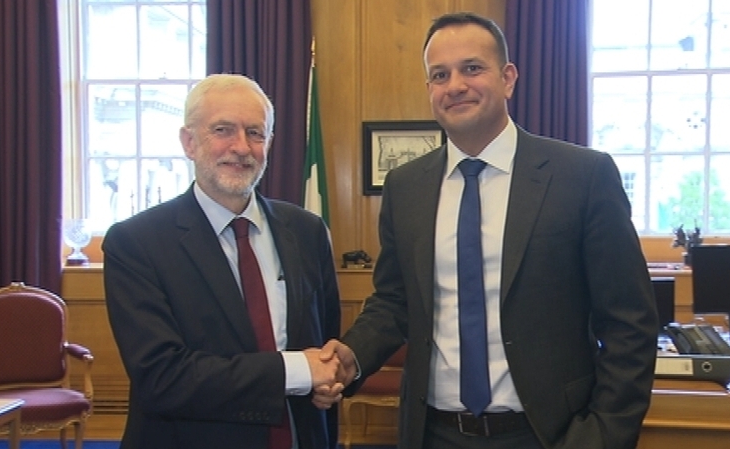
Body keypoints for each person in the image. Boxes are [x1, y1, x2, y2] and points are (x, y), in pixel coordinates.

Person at [318, 12, 659, 449]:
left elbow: (630, 323)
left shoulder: (582, 176)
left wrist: (603, 435)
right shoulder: (406, 188)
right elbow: (394, 303)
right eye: (439, 75)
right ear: (429, 90)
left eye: (472, 68)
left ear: (508, 78)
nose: (455, 85)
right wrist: (351, 356)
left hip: (549, 434)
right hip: (433, 433)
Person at [103, 73, 342, 449]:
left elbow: (326, 343)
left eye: (255, 133)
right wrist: (297, 370)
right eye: (223, 130)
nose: (241, 147)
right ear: (189, 142)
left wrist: (330, 380)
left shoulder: (307, 232)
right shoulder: (137, 243)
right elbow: (162, 377)